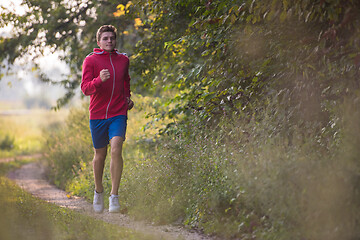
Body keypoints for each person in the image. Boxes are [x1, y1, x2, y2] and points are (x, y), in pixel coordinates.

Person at [81, 25, 134, 213]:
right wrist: (99, 80)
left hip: (118, 112)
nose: (109, 41)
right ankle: (98, 191)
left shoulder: (123, 60)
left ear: (115, 40)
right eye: (105, 38)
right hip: (97, 115)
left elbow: (125, 81)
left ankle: (114, 196)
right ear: (98, 42)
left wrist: (128, 98)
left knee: (117, 147)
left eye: (112, 38)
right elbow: (85, 88)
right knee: (100, 155)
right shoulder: (91, 60)